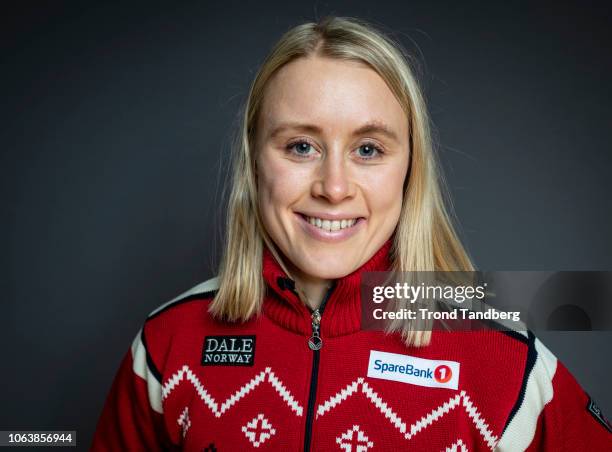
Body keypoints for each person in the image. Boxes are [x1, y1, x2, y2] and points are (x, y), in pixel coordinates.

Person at [91, 16, 611, 451]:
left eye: (368, 149)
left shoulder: (505, 358)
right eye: (300, 146)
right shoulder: (165, 345)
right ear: (254, 162)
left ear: (410, 169)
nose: (334, 188)